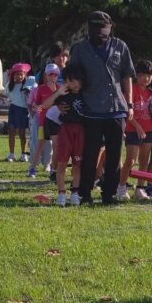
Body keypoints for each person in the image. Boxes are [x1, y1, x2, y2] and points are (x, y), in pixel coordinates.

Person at [70, 10, 135, 206]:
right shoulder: (80, 50)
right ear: (89, 30)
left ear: (110, 28)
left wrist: (129, 104)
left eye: (104, 30)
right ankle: (86, 193)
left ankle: (109, 194)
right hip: (91, 109)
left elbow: (127, 76)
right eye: (96, 30)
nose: (100, 34)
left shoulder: (120, 46)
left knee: (115, 155)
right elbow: (73, 78)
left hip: (116, 108)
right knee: (90, 154)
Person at [39, 66, 89, 207]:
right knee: (61, 164)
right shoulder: (63, 93)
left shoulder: (87, 94)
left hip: (81, 131)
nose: (73, 84)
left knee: (77, 165)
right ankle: (61, 193)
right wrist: (57, 93)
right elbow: (44, 105)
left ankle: (74, 193)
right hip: (65, 130)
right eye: (69, 81)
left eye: (75, 80)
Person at [118, 60, 152, 200]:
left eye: (149, 76)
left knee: (144, 161)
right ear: (136, 75)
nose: (146, 79)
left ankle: (140, 189)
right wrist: (137, 126)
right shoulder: (131, 90)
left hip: (150, 130)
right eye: (142, 75)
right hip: (133, 130)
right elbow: (127, 112)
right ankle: (121, 188)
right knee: (130, 160)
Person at [28, 63, 61, 179]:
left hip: (56, 122)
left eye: (56, 75)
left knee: (56, 146)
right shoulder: (41, 88)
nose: (53, 77)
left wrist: (55, 91)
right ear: (45, 76)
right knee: (40, 145)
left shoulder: (60, 88)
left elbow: (61, 103)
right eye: (50, 74)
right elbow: (37, 102)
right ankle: (32, 168)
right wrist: (37, 107)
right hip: (43, 122)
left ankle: (53, 168)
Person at [5, 63, 32, 162]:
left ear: (25, 75)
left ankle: (23, 154)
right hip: (13, 109)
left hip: (23, 111)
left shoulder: (27, 85)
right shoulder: (9, 85)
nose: (19, 76)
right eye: (17, 74)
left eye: (21, 74)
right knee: (11, 131)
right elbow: (5, 95)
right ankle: (11, 154)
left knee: (22, 133)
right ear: (13, 75)